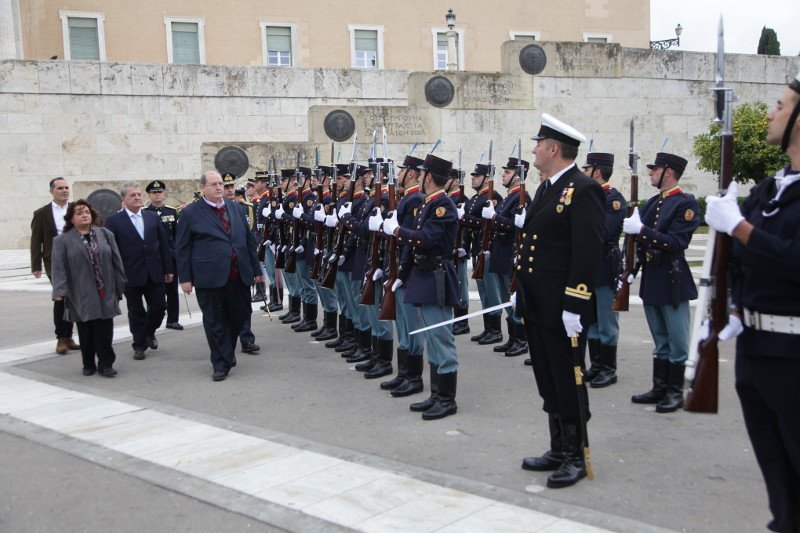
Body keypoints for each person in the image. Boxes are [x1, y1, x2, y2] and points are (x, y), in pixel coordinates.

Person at [704, 71, 800, 533]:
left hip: (796, 357)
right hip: (755, 351)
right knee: (777, 476)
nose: (770, 112)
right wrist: (733, 308)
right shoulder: (768, 189)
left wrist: (739, 228)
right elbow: (742, 261)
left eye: (780, 105)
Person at [514, 113, 605, 488]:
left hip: (563, 308)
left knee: (568, 381)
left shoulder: (583, 189)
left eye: (538, 143)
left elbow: (588, 252)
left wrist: (574, 304)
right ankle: (557, 446)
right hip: (538, 304)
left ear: (554, 149)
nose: (534, 149)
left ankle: (575, 455)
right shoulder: (548, 187)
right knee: (548, 380)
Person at [383, 153, 461, 420]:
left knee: (441, 338)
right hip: (425, 275)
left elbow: (426, 239)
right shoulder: (430, 203)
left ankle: (447, 399)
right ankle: (437, 394)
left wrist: (397, 231)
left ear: (427, 176)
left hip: (437, 276)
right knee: (431, 336)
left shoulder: (442, 206)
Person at [623, 152, 700, 413]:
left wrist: (642, 231)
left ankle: (675, 392)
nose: (650, 173)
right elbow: (637, 241)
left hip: (672, 278)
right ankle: (659, 388)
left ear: (668, 171)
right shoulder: (652, 202)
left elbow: (677, 242)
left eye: (654, 169)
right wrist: (631, 269)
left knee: (677, 340)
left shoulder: (685, 204)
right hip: (653, 278)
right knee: (660, 338)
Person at [175, 170, 261, 381]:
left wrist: (256, 271)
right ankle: (220, 362)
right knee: (215, 321)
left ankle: (227, 352)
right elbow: (182, 247)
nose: (219, 187)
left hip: (238, 275)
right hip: (209, 277)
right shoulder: (190, 213)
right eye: (213, 184)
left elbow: (248, 241)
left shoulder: (236, 208)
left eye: (220, 184)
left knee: (237, 317)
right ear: (203, 187)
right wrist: (185, 278)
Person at [51, 200, 127, 377]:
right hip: (80, 292)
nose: (84, 215)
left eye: (86, 212)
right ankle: (88, 363)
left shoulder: (105, 234)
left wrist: (119, 285)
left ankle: (106, 363)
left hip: (105, 289)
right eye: (79, 213)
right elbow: (58, 268)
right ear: (71, 219)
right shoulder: (62, 241)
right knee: (86, 329)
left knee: (105, 328)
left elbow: (116, 261)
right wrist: (59, 292)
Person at [105, 182, 173, 360]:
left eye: (138, 194)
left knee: (160, 307)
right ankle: (139, 345)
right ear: (123, 200)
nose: (136, 198)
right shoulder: (114, 221)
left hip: (154, 271)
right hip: (130, 273)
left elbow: (163, 245)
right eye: (132, 195)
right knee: (136, 311)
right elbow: (112, 250)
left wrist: (168, 268)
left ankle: (149, 332)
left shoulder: (152, 217)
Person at [380, 154, 426, 396]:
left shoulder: (415, 199)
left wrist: (402, 271)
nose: (397, 175)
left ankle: (414, 377)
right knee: (402, 324)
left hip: (407, 272)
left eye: (400, 171)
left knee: (411, 327)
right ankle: (404, 373)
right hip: (398, 269)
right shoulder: (406, 198)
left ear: (410, 173)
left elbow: (409, 241)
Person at [581, 152, 626, 388]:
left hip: (605, 265)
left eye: (586, 168)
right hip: (588, 266)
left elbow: (604, 231)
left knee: (607, 320)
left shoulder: (613, 198)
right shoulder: (587, 195)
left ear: (596, 172)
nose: (583, 172)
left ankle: (609, 368)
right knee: (591, 320)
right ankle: (596, 364)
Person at [482, 157, 532, 357]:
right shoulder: (509, 197)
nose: (503, 175)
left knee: (514, 299)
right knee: (506, 299)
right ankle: (512, 338)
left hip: (511, 254)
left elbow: (516, 226)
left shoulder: (522, 197)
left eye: (507, 172)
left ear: (518, 176)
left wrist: (494, 217)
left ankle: (521, 340)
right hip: (500, 254)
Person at [31, 177, 80, 355]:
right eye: (60, 188)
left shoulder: (77, 209)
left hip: (76, 260)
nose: (65, 190)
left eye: (66, 187)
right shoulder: (42, 213)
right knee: (60, 298)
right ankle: (61, 337)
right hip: (54, 262)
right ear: (51, 191)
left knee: (72, 298)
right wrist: (35, 265)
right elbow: (36, 241)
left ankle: (69, 336)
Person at [461, 164, 504, 343]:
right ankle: (488, 328)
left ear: (487, 179)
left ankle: (496, 330)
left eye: (477, 176)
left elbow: (488, 223)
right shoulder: (474, 199)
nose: (473, 178)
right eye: (473, 175)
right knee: (483, 291)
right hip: (476, 248)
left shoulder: (493, 197)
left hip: (487, 249)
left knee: (492, 292)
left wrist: (465, 218)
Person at [222, 173, 260, 355]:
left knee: (244, 306)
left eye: (232, 187)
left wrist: (255, 268)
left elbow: (249, 239)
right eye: (226, 187)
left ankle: (247, 340)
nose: (230, 190)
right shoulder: (213, 212)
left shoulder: (243, 208)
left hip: (242, 265)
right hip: (223, 268)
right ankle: (226, 341)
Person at [144, 180, 183, 330]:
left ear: (164, 194)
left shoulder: (171, 211)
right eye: (154, 193)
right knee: (153, 290)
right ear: (149, 195)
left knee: (172, 290)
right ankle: (152, 319)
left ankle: (173, 319)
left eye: (160, 192)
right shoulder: (145, 212)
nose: (157, 195)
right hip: (154, 257)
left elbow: (176, 235)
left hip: (170, 256)